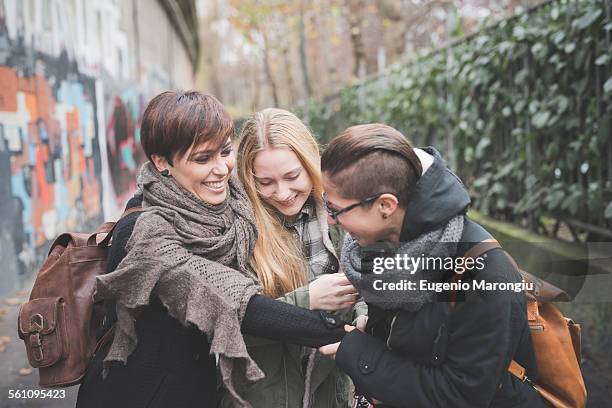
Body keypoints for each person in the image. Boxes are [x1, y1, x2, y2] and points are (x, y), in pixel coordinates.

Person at [75, 91, 352, 408]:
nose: (221, 169)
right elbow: (235, 305)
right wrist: (344, 335)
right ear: (162, 162)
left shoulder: (232, 208)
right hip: (144, 394)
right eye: (203, 159)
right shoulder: (146, 231)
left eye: (225, 152)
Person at [317, 124, 546, 407]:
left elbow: (462, 396)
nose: (329, 221)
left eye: (336, 210)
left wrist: (363, 356)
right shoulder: (386, 249)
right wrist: (376, 333)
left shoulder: (485, 274)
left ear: (386, 206)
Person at [232, 107, 366, 408]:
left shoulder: (342, 213)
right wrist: (308, 299)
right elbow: (230, 326)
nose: (282, 193)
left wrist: (362, 314)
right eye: (264, 182)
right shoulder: (237, 228)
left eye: (293, 176)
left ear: (311, 164)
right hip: (266, 395)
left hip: (331, 390)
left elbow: (365, 281)